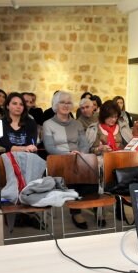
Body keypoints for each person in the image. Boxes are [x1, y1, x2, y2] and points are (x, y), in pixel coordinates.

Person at [43, 90, 92, 230]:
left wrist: (80, 154)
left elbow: (84, 144)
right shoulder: (48, 124)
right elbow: (50, 147)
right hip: (58, 160)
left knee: (91, 168)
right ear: (55, 105)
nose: (66, 105)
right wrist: (68, 154)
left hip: (78, 158)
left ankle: (89, 204)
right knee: (73, 171)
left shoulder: (77, 124)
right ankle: (76, 211)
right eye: (62, 102)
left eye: (69, 102)